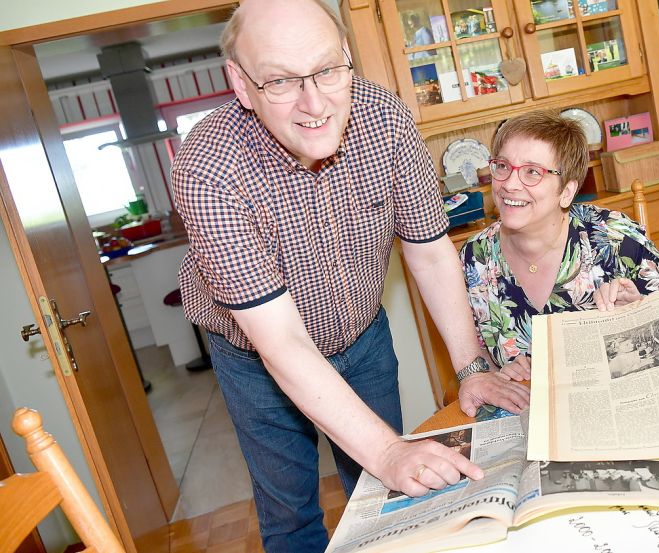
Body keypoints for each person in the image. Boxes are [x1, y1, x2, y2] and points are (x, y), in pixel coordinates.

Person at [170, 1, 528, 550]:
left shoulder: (386, 118)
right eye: (281, 82)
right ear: (240, 84)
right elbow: (282, 342)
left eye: (327, 70)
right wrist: (387, 452)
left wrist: (471, 366)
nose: (314, 104)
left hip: (361, 337)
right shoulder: (208, 166)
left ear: (346, 58)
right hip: (255, 361)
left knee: (386, 495)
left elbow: (429, 252)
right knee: (291, 514)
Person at [460, 110, 659, 379]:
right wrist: (497, 372)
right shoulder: (475, 258)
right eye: (502, 166)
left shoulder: (610, 236)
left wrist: (644, 305)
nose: (509, 184)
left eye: (532, 172)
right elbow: (474, 355)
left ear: (566, 192)